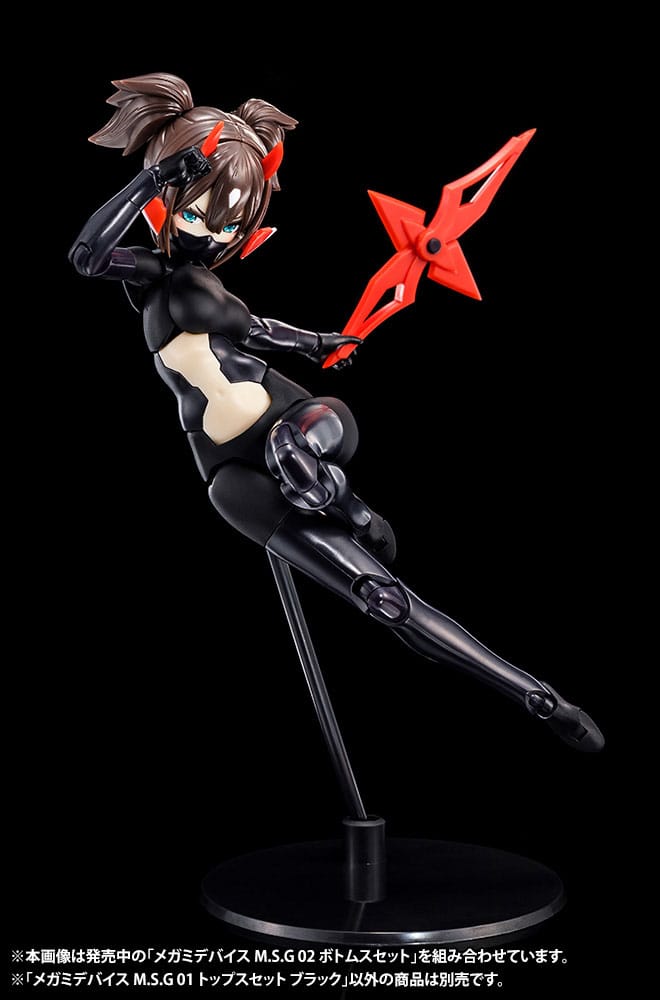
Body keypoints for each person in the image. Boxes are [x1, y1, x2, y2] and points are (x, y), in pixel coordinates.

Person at [70, 73, 603, 752]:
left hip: (296, 416)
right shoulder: (150, 275)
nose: (213, 232)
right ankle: (532, 693)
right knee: (382, 599)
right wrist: (156, 177)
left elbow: (258, 331)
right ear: (171, 200)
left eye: (231, 220)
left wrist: (321, 342)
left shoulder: (210, 287)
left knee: (293, 450)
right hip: (228, 465)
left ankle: (350, 508)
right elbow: (86, 256)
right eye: (200, 213)